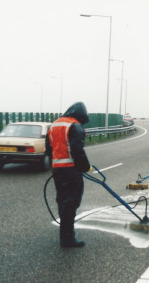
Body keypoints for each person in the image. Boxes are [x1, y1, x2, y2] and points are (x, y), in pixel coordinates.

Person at [48, 102, 91, 248]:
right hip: (71, 171)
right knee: (71, 203)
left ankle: (65, 235)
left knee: (63, 202)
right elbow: (77, 150)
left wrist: (54, 165)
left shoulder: (54, 125)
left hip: (58, 170)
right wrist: (85, 167)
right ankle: (68, 239)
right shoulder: (74, 125)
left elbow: (49, 148)